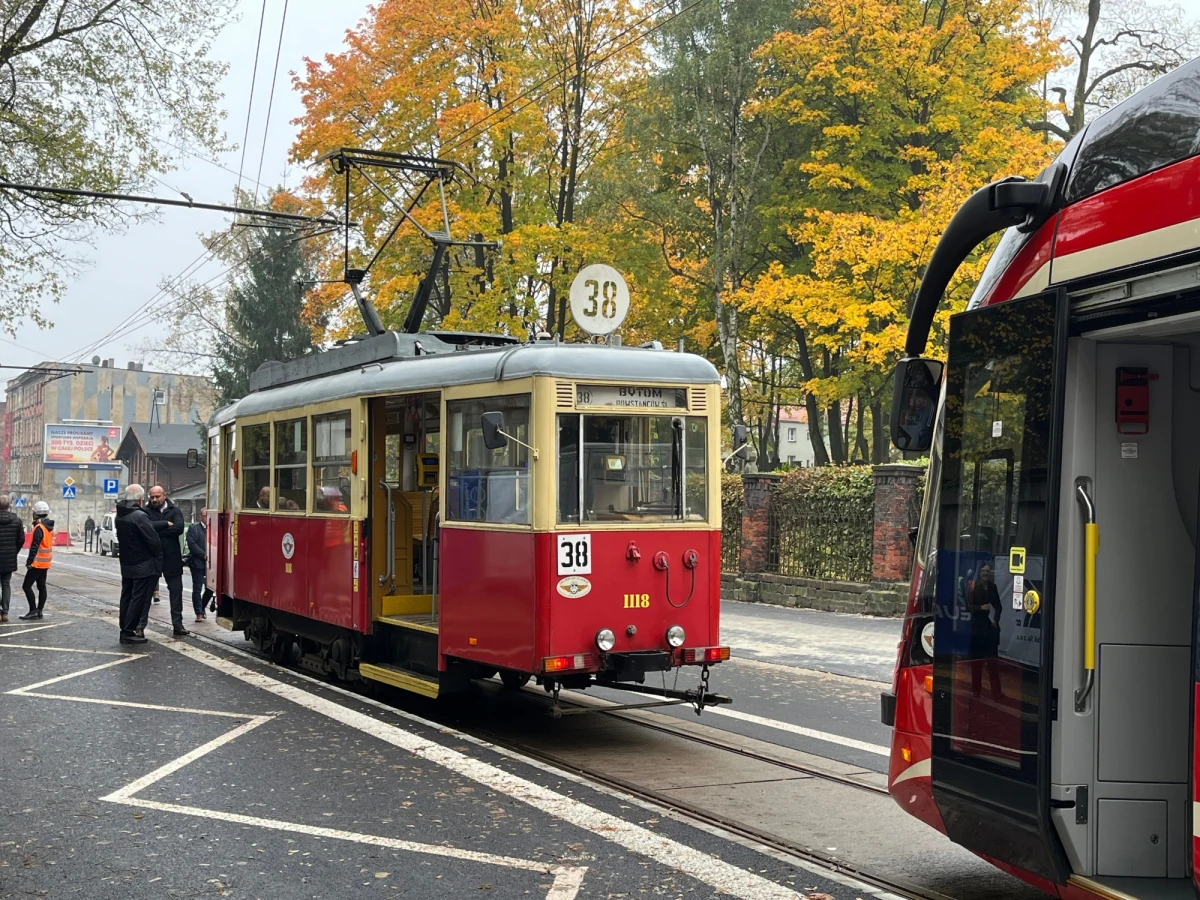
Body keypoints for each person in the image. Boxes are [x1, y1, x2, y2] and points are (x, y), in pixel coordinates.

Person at [115, 484, 161, 644]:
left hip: (126, 562)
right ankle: (129, 630)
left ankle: (124, 628)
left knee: (126, 595)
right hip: (142, 563)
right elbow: (153, 540)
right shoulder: (139, 516)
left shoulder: (120, 515)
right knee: (138, 597)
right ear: (140, 499)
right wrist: (156, 554)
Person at [142, 485, 188, 637]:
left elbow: (179, 528)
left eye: (157, 497)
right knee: (146, 593)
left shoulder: (174, 510)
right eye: (152, 497)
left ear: (164, 496)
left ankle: (178, 624)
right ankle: (140, 625)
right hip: (153, 556)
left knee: (176, 592)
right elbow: (145, 528)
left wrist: (156, 531)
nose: (154, 499)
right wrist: (164, 526)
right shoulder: (146, 511)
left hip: (172, 558)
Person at [968, 563, 1003, 698]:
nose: (985, 574)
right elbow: (968, 606)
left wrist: (995, 620)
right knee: (976, 663)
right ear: (980, 573)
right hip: (976, 630)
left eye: (988, 571)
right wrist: (980, 608)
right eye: (983, 571)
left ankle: (997, 692)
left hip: (989, 630)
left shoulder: (993, 587)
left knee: (992, 663)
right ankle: (976, 690)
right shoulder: (973, 586)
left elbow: (999, 606)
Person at [20, 501, 54, 620]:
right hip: (45, 562)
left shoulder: (39, 528)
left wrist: (29, 561)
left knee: (26, 586)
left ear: (36, 514)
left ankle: (33, 610)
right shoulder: (48, 527)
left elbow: (35, 546)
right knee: (41, 586)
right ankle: (39, 610)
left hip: (37, 563)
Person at [0, 495, 24, 623]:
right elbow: (21, 539)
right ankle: (5, 612)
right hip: (9, 558)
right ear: (9, 506)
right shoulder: (17, 520)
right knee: (6, 584)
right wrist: (14, 551)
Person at [186, 509, 211, 623]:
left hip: (211, 564)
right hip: (197, 563)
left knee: (210, 588)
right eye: (206, 516)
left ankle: (202, 607)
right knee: (197, 588)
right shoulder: (194, 528)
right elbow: (192, 544)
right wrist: (203, 554)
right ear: (201, 516)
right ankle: (199, 613)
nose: (207, 518)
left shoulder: (213, 529)